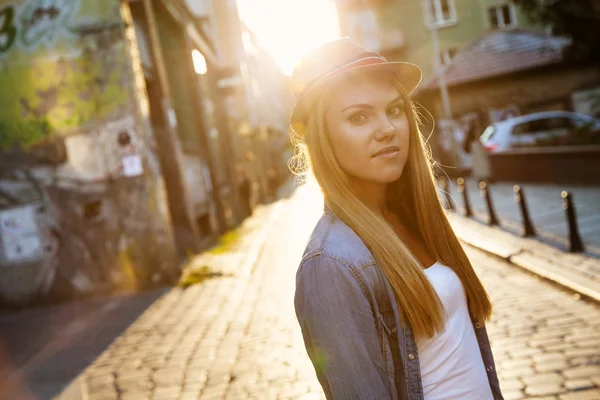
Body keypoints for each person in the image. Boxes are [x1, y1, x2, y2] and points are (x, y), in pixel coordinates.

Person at [290, 38, 503, 399]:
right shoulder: (330, 265)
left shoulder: (415, 217)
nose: (387, 128)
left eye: (394, 109)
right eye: (358, 117)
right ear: (322, 139)